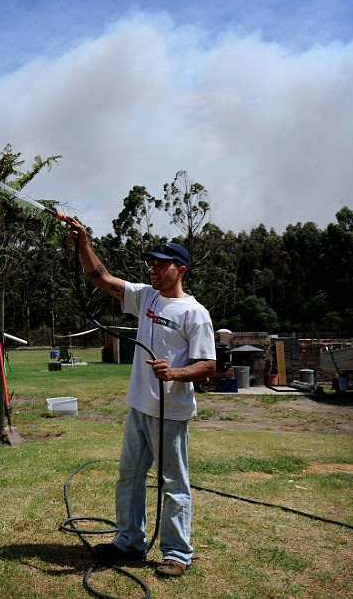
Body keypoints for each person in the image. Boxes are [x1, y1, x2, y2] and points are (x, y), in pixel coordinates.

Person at [63, 215, 216, 578]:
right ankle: (129, 541)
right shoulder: (145, 296)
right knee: (129, 476)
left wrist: (175, 372)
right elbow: (102, 278)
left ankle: (177, 553)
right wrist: (82, 240)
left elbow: (208, 365)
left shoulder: (196, 314)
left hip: (171, 412)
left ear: (181, 270)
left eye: (161, 264)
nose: (153, 269)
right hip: (138, 408)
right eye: (152, 263)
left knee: (173, 482)